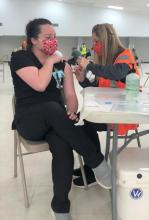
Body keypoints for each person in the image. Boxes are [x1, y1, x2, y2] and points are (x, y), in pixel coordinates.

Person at [10, 18, 111, 220]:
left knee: (63, 145)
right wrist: (50, 61)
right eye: (48, 37)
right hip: (30, 121)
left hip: (56, 122)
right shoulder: (20, 58)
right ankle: (96, 160)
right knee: (50, 107)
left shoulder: (62, 65)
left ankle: (60, 206)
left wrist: (72, 110)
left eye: (55, 37)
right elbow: (39, 84)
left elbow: (71, 97)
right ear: (34, 40)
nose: (53, 41)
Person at [73, 23, 139, 187]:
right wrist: (82, 79)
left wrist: (89, 65)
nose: (94, 48)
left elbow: (115, 73)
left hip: (124, 114)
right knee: (82, 121)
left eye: (96, 42)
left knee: (83, 124)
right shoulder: (108, 62)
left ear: (105, 41)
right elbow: (96, 87)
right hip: (111, 110)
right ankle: (94, 166)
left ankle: (94, 168)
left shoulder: (125, 56)